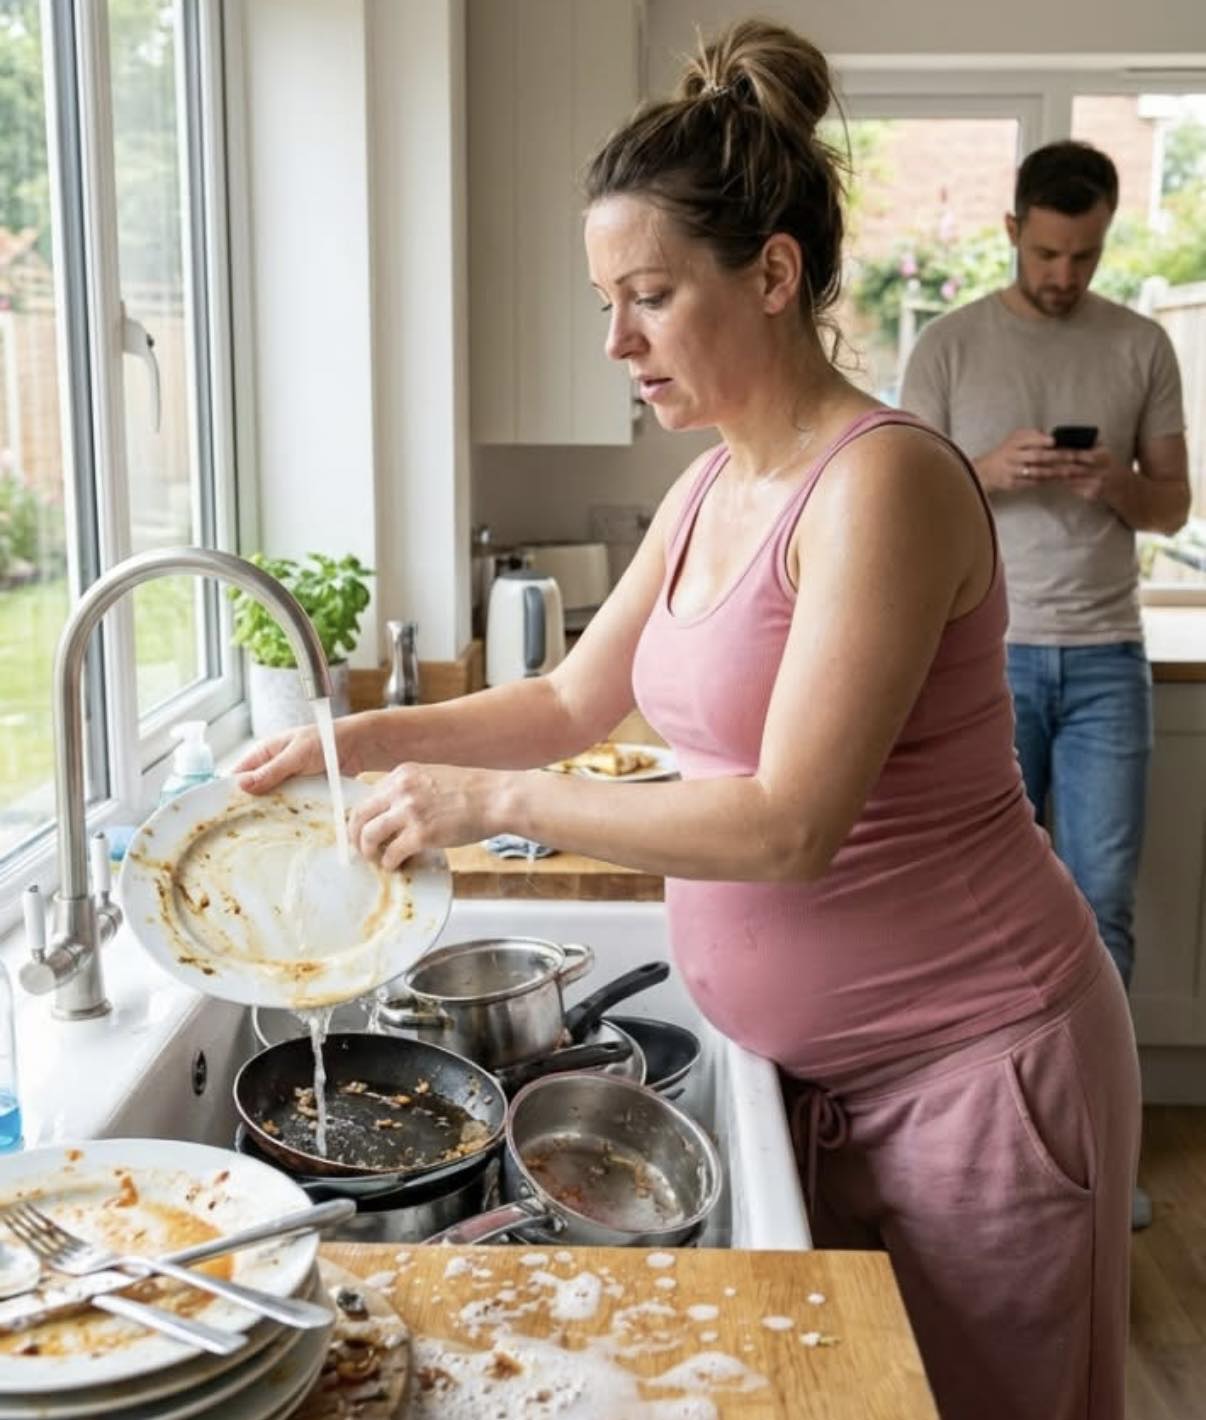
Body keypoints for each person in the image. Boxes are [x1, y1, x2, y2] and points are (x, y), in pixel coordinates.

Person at [236, 23, 1139, 1420]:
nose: (615, 339)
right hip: (813, 1080)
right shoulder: (711, 486)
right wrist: (354, 745)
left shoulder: (880, 484)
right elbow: (563, 699)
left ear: (772, 275)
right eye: (605, 299)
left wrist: (492, 806)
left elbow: (785, 825)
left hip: (975, 1080)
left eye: (647, 295)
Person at [900, 140, 1190, 1231]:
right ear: (1013, 225)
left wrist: (1114, 481)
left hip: (1110, 655)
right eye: (1051, 250)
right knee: (975, 916)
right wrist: (987, 473)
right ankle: (985, 1152)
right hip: (984, 660)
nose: (1066, 274)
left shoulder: (1143, 343)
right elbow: (898, 505)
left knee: (1101, 907)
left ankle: (1099, 1155)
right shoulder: (949, 345)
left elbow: (1173, 506)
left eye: (1088, 253)